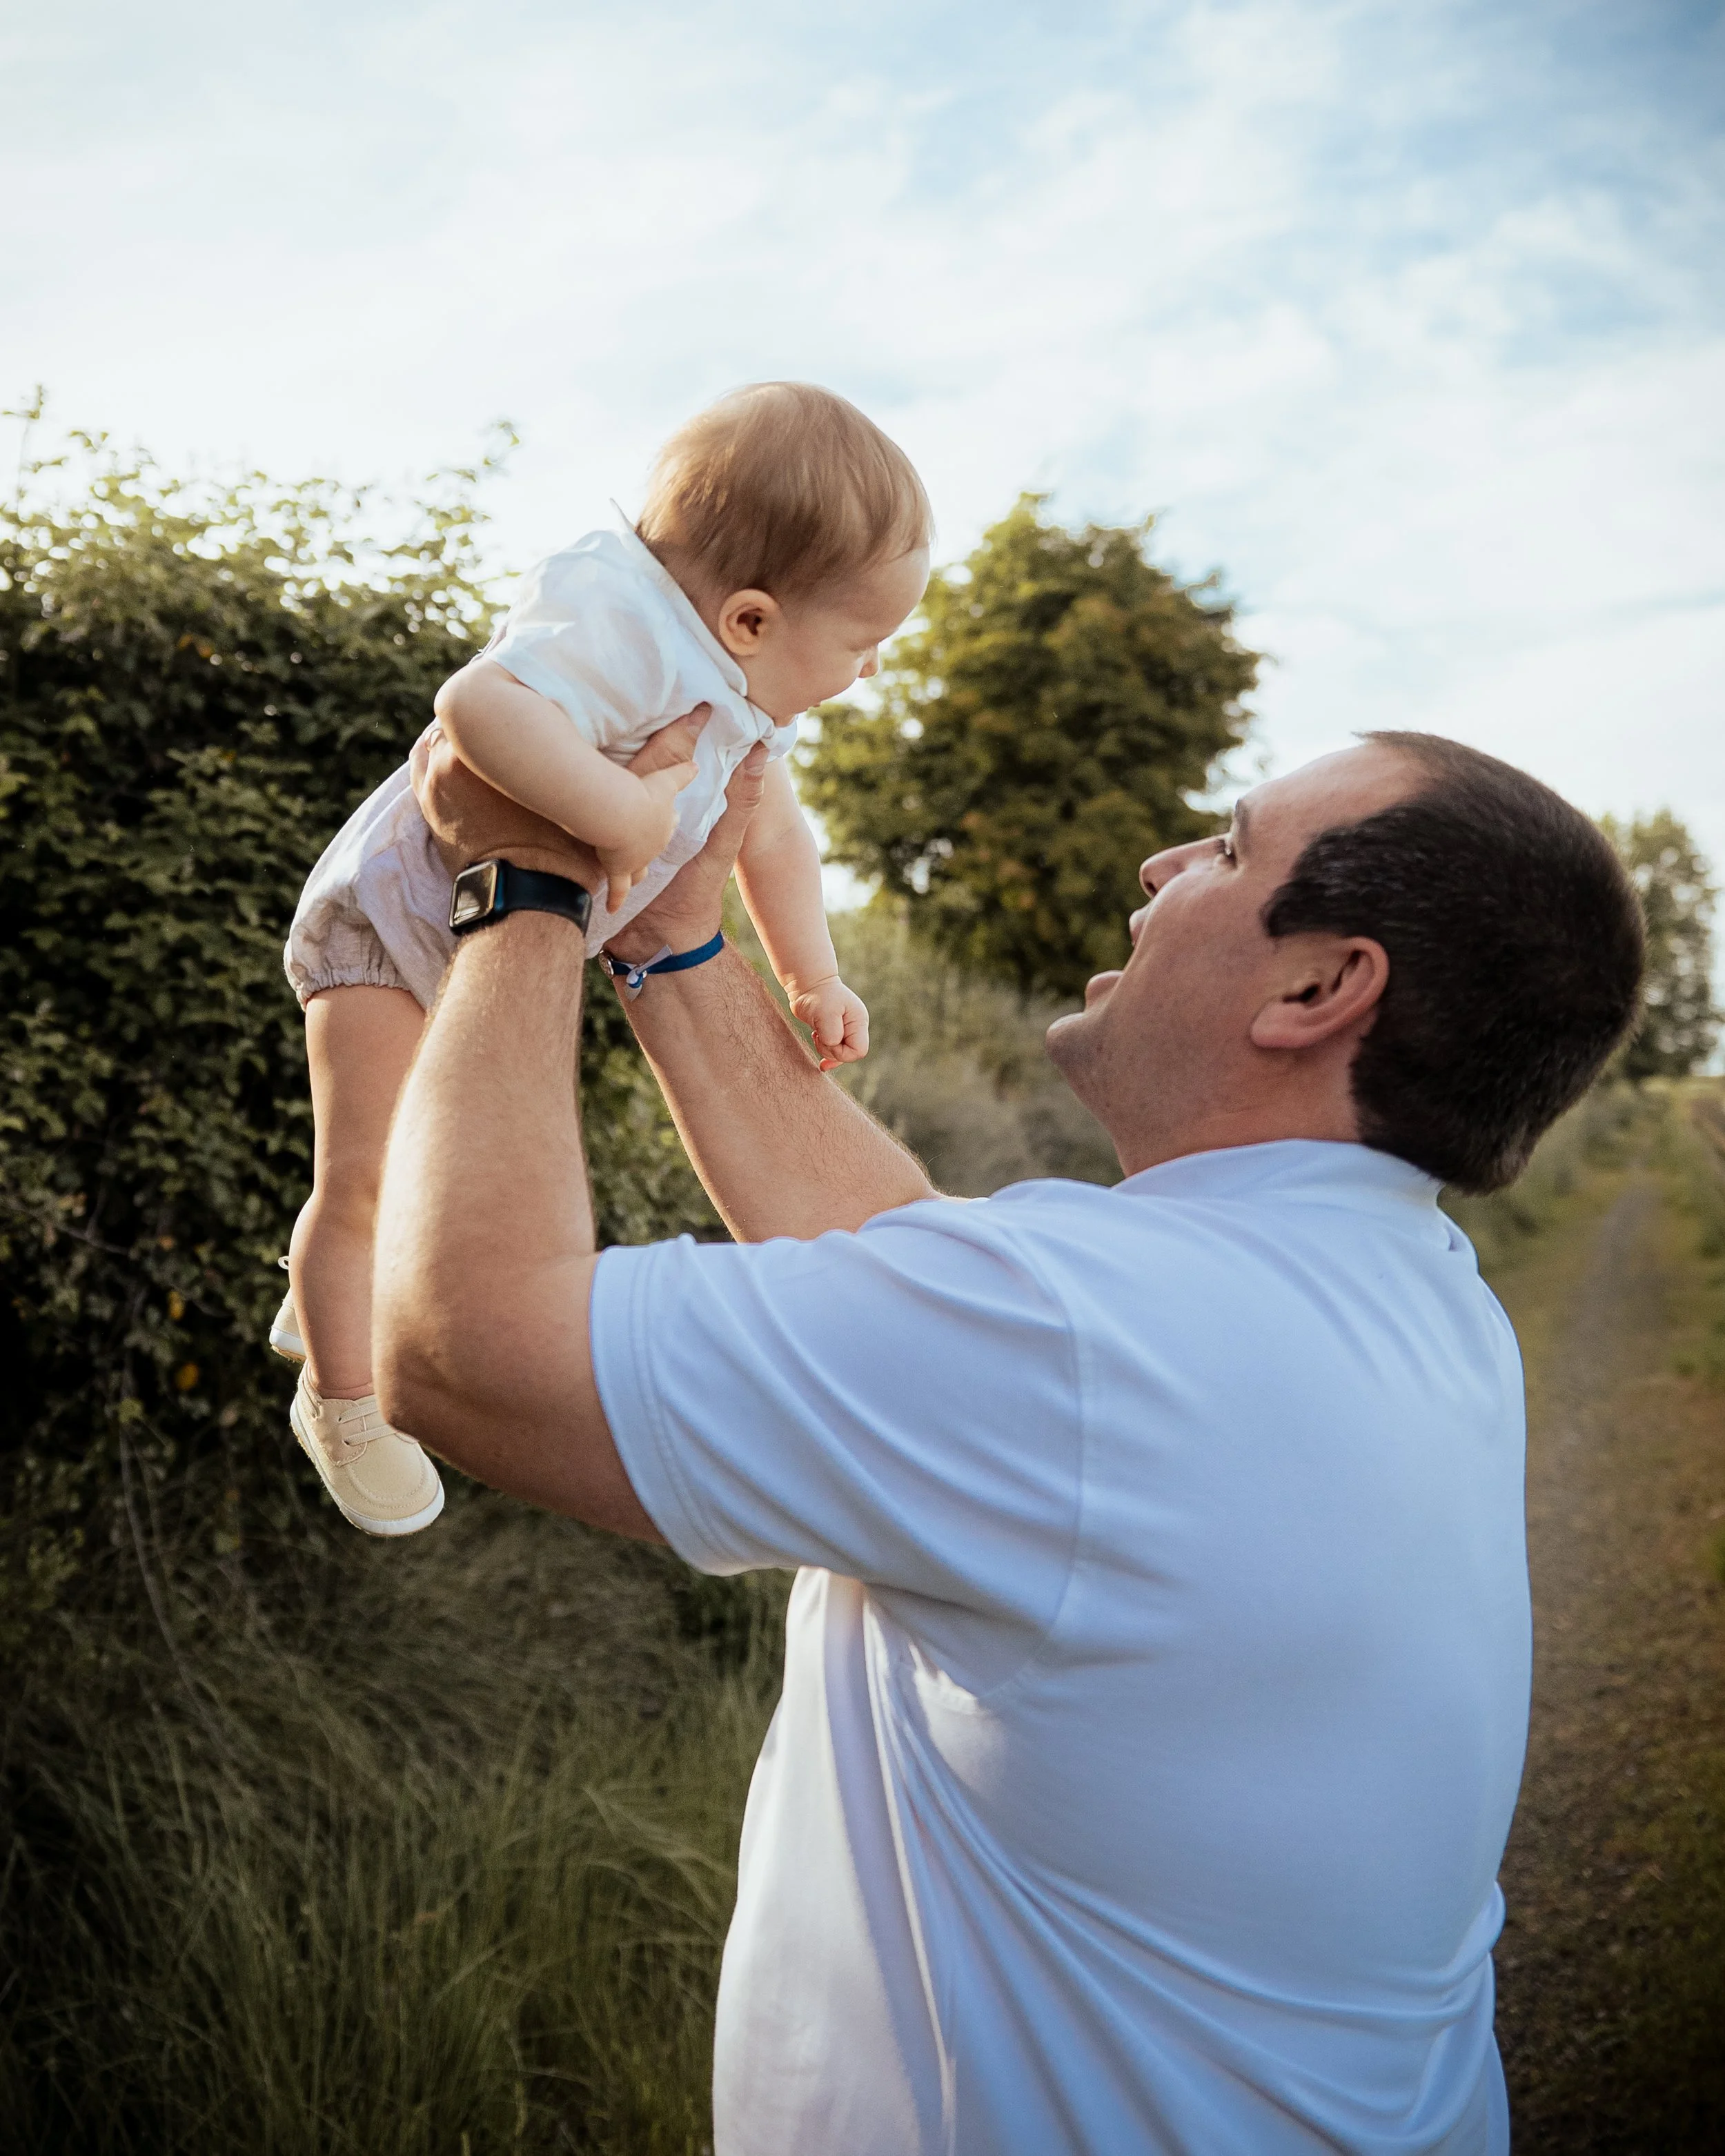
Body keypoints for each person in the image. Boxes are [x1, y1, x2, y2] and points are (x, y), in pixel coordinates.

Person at [371, 722, 1643, 2155]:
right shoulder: (1409, 1293)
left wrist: (523, 887)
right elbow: (911, 1282)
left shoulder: (1083, 1332)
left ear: (1317, 984)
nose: (1161, 865)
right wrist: (675, 943)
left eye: (1225, 846)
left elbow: (461, 1350)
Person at [271, 383, 930, 1536]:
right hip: (391, 919)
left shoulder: (743, 707)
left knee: (421, 1180)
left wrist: (811, 975)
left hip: (489, 948)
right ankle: (343, 1399)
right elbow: (478, 706)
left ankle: (323, 1297)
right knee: (366, 1178)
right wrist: (620, 820)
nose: (868, 671)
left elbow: (771, 832)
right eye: (864, 643)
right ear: (752, 620)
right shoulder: (622, 619)